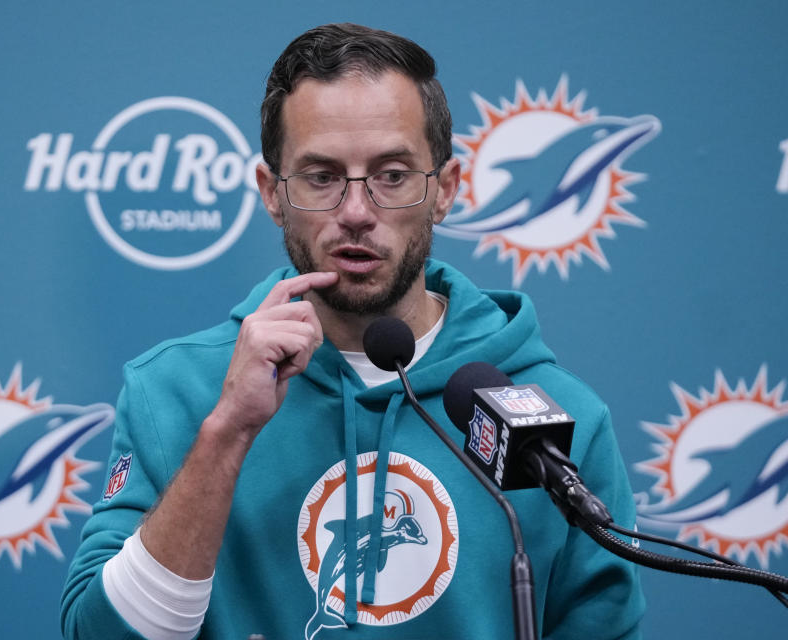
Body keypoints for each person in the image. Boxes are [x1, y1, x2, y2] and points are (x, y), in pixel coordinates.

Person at [61, 22, 644, 640]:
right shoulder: (175, 392)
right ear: (272, 193)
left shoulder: (558, 423)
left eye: (392, 175)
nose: (357, 212)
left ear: (444, 190)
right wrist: (227, 434)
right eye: (321, 177)